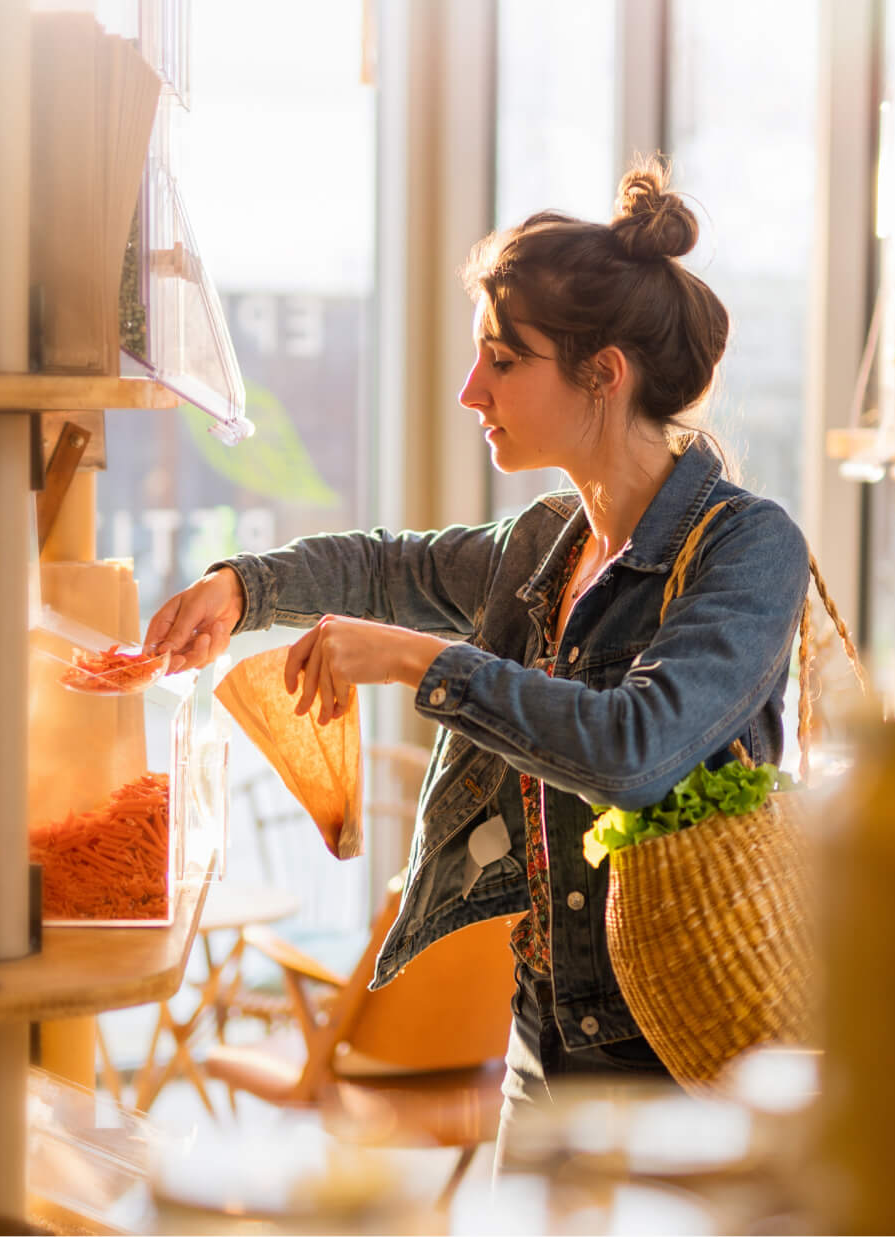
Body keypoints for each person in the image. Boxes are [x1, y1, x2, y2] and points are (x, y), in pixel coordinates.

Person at [143, 159, 810, 1145]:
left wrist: (418, 663)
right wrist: (240, 588)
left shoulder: (748, 547)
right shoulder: (546, 543)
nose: (470, 390)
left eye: (502, 359)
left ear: (604, 373)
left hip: (684, 1069)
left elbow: (635, 747)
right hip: (543, 1046)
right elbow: (378, 567)